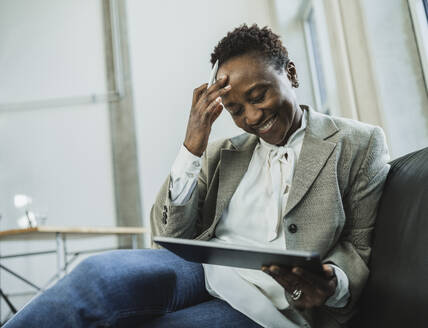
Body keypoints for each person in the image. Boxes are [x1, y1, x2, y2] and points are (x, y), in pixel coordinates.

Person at [4, 24, 390, 328]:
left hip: (274, 306)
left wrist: (330, 284)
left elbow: (360, 247)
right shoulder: (226, 153)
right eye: (236, 109)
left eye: (258, 96)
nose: (252, 117)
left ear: (290, 74)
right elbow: (169, 239)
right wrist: (192, 146)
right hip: (202, 271)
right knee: (96, 275)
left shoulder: (358, 142)